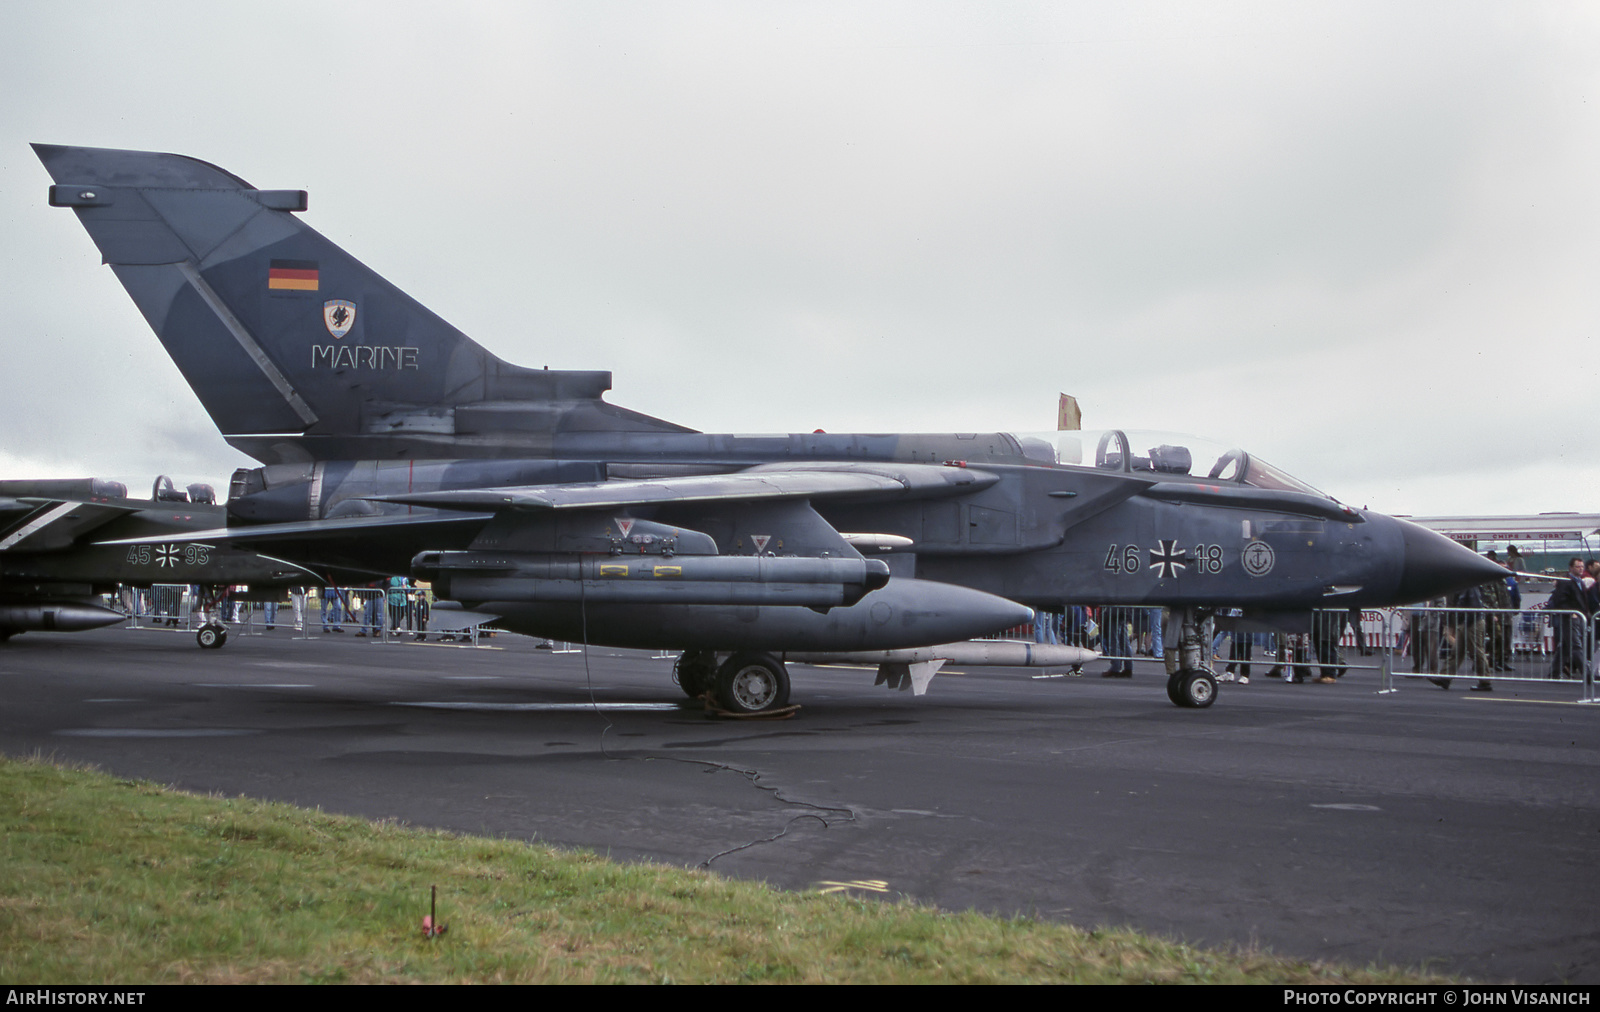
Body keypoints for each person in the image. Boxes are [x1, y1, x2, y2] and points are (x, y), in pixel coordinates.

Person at [1545, 558, 1593, 679]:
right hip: (1570, 618)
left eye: (1582, 566)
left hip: (1580, 617)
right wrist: (1571, 612)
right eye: (1578, 567)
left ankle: (1554, 673)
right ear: (1571, 568)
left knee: (1565, 646)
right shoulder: (1565, 581)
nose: (1581, 569)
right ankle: (1587, 674)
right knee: (1576, 646)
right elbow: (1559, 600)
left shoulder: (1580, 582)